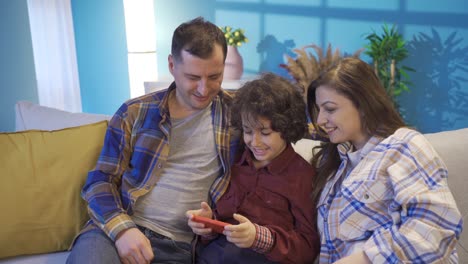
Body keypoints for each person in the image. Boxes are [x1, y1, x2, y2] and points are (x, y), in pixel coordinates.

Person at [67, 17, 241, 264]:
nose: (204, 89)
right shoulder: (134, 112)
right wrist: (123, 230)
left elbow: (284, 133)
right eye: (193, 77)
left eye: (215, 76)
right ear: (172, 65)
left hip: (180, 246)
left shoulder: (238, 115)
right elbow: (100, 180)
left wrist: (214, 217)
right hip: (116, 231)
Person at [306, 57, 463, 263]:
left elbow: (434, 225)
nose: (320, 120)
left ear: (362, 104)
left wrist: (365, 259)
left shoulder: (403, 145)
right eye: (319, 110)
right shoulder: (333, 162)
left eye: (330, 109)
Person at [186, 73, 320, 264]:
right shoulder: (235, 162)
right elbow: (223, 223)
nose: (254, 142)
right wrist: (208, 223)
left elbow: (308, 247)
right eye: (248, 131)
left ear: (287, 128)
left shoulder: (302, 176)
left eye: (265, 133)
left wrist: (259, 238)